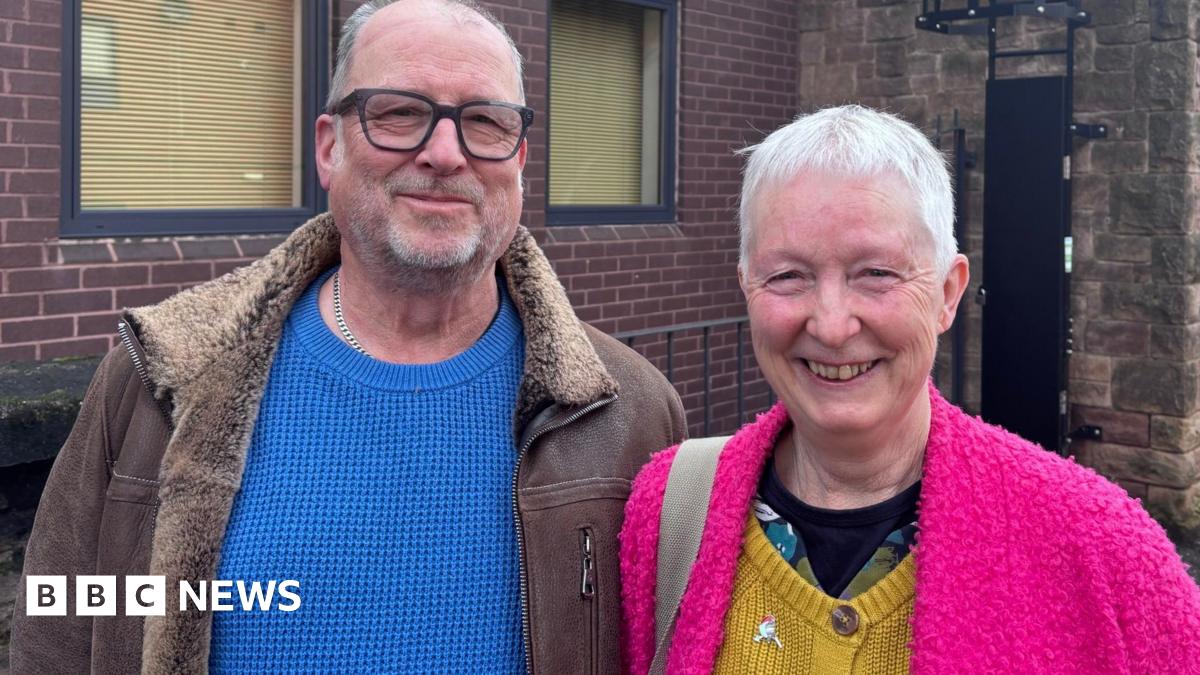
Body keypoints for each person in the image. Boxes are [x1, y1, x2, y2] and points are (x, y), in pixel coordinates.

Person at [11, 1, 684, 672]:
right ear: (329, 147)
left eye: (485, 121)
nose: (445, 153)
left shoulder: (628, 413)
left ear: (520, 158)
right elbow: (56, 636)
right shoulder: (156, 381)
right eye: (399, 112)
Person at [620, 105, 1200, 674]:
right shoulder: (669, 514)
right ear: (747, 286)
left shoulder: (1103, 550)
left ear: (948, 294)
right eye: (788, 276)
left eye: (877, 273)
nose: (832, 325)